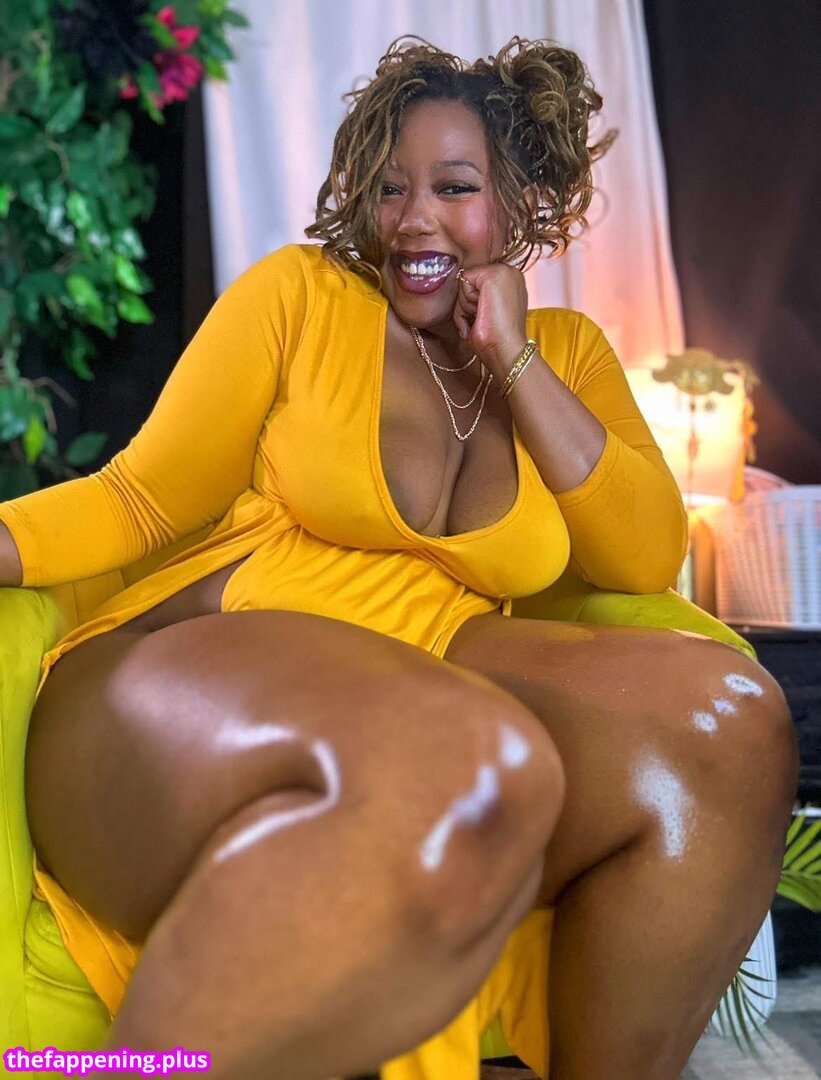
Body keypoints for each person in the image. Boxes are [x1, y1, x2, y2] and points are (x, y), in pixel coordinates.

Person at [0, 35, 797, 1080]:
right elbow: (138, 497)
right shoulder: (300, 297)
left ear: (517, 205)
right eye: (388, 188)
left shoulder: (565, 355)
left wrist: (512, 359)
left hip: (429, 671)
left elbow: (642, 556)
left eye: (452, 188)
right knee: (455, 750)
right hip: (205, 661)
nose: (413, 218)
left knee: (730, 726)